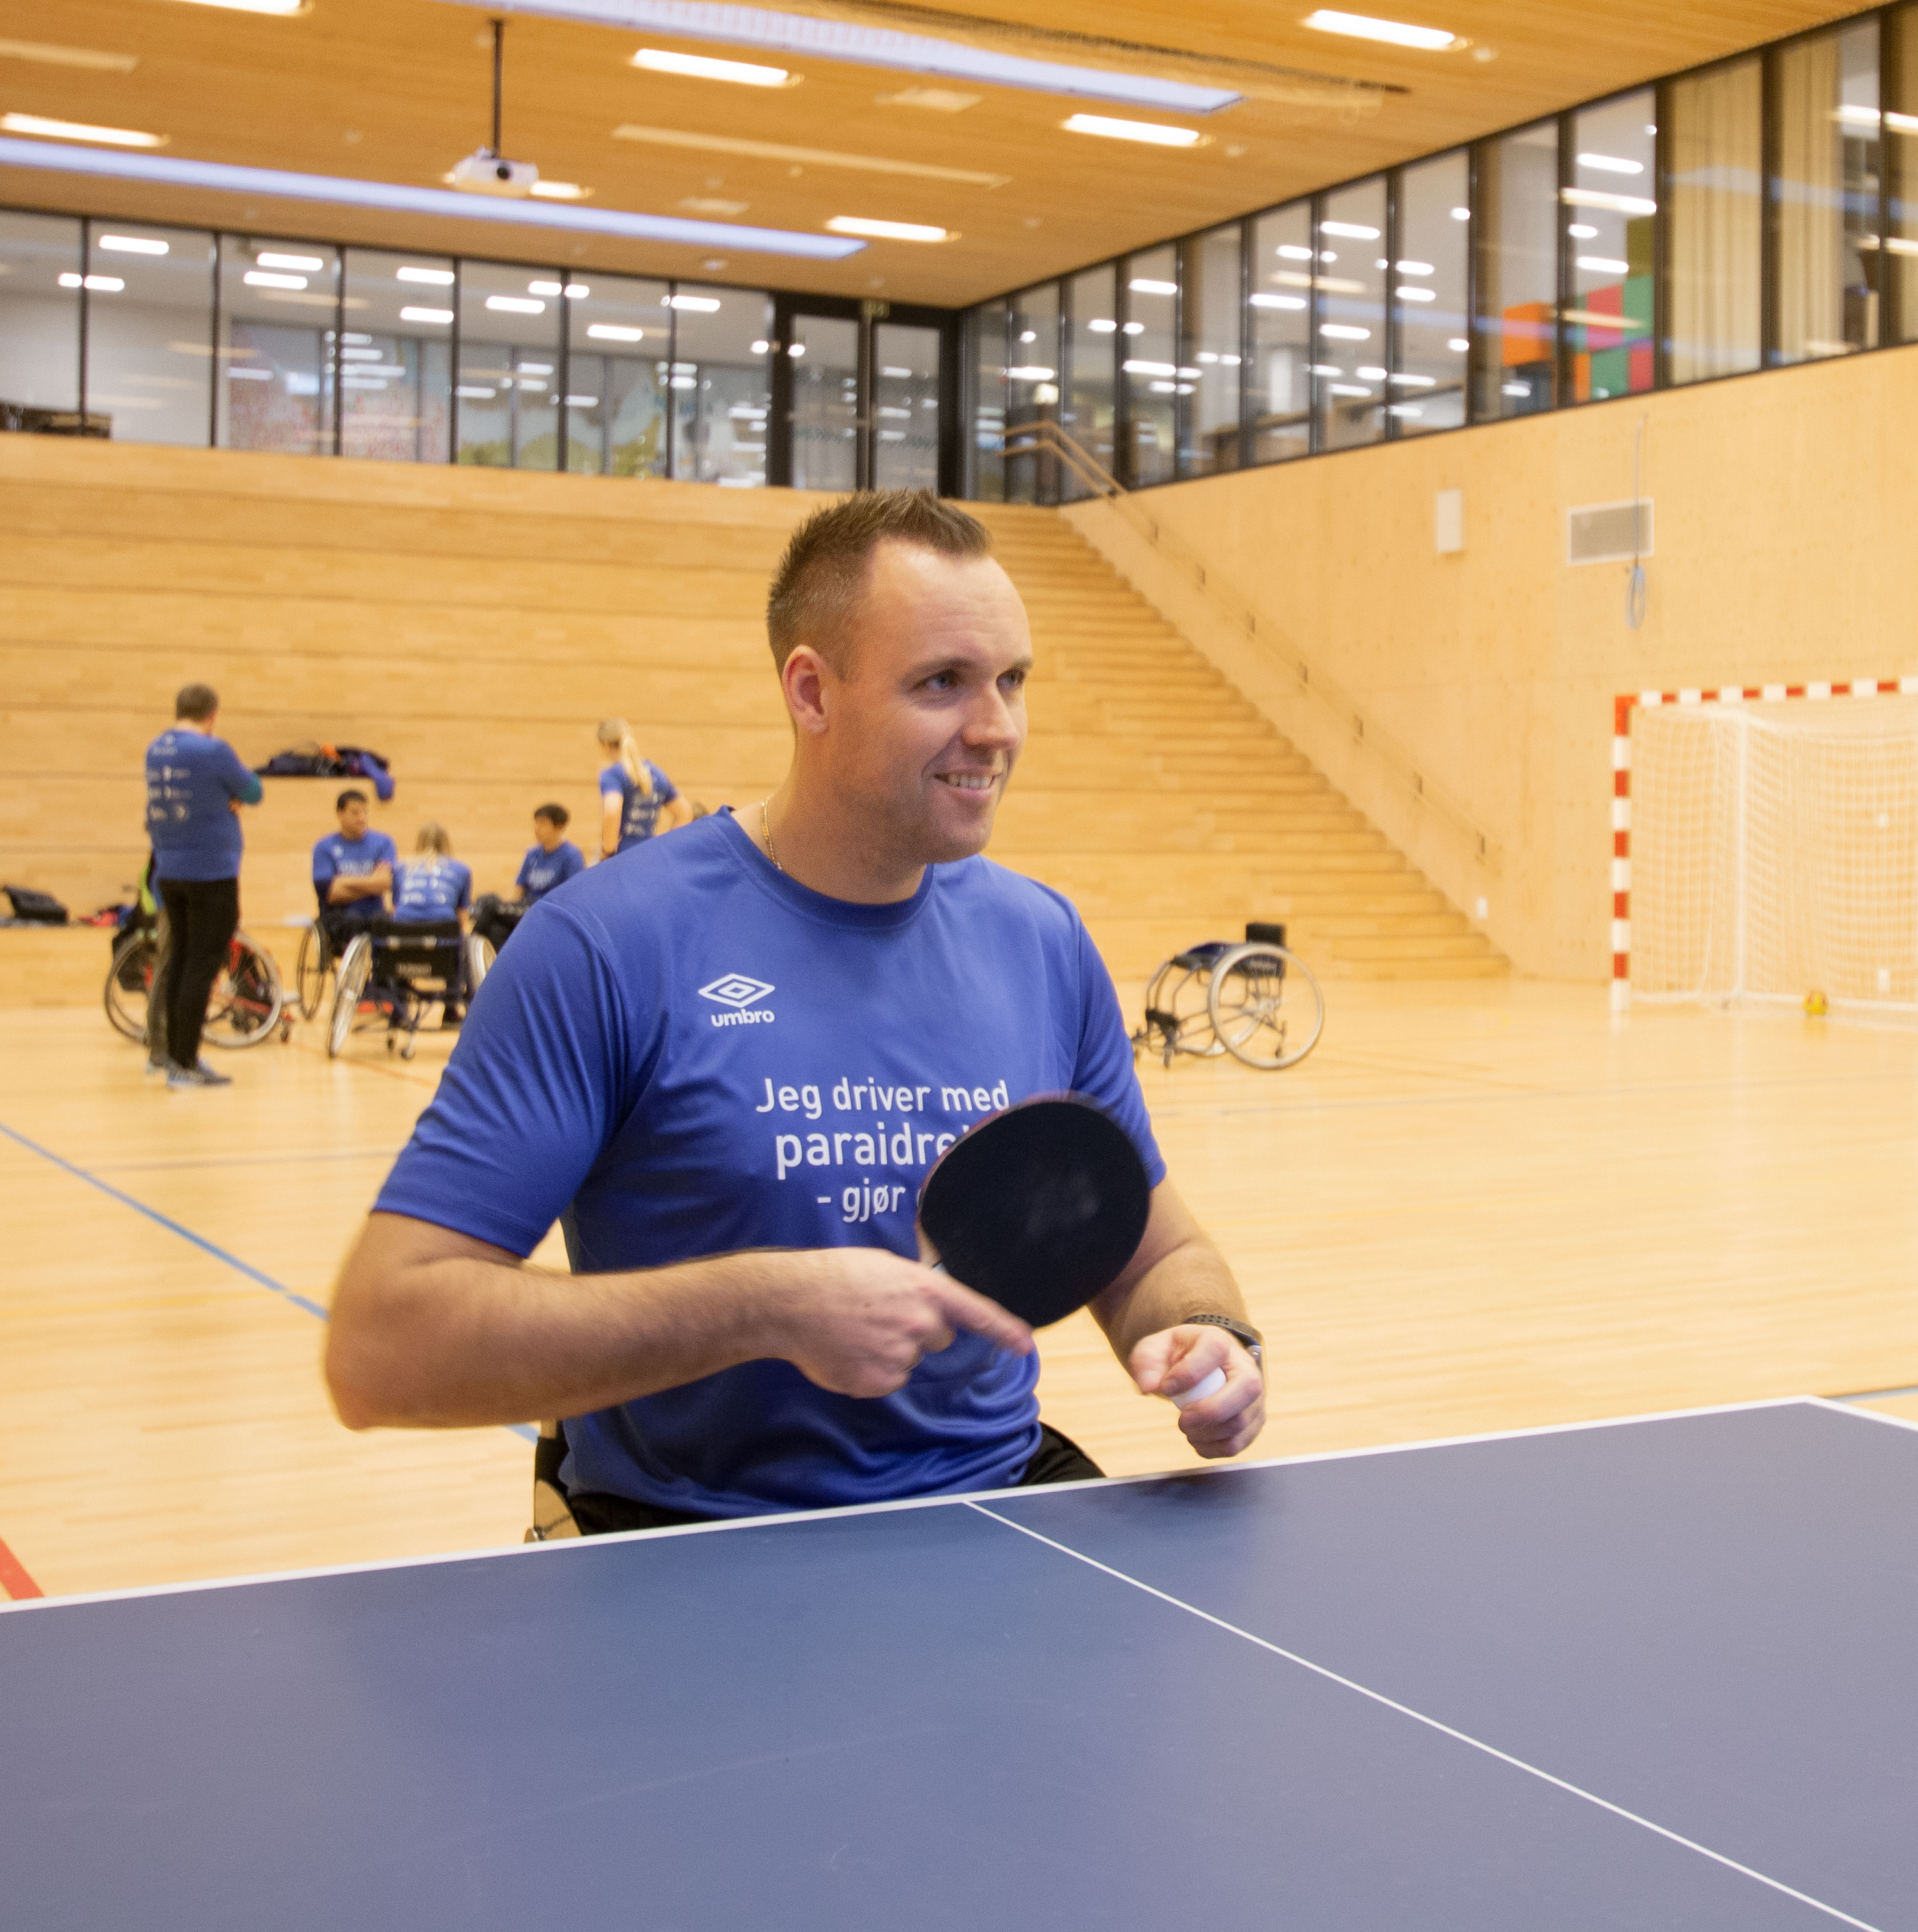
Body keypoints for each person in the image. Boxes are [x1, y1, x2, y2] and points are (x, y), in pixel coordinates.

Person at [327, 490, 1265, 1535]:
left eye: (1011, 680)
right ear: (811, 692)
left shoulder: (1041, 940)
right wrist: (763, 1308)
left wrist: (1207, 1334)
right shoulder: (604, 946)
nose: (995, 728)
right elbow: (382, 1350)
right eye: (941, 682)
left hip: (993, 1509)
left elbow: (1154, 1256)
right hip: (686, 1537)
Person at [143, 683, 260, 1087]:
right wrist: (234, 797)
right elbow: (253, 790)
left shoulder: (156, 750)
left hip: (169, 870)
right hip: (211, 873)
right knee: (201, 966)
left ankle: (172, 1056)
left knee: (178, 962)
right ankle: (186, 1062)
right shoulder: (213, 750)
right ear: (212, 715)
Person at [310, 788, 397, 956]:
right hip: (339, 915)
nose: (362, 818)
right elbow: (329, 893)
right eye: (355, 813)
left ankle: (389, 979)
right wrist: (371, 882)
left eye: (365, 812)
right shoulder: (324, 847)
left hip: (374, 912)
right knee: (353, 921)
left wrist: (343, 881)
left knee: (387, 922)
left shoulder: (383, 843)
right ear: (340, 813)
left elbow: (385, 883)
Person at [591, 718, 686, 859]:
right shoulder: (656, 773)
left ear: (605, 745)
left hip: (622, 857)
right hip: (648, 855)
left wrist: (608, 851)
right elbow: (684, 812)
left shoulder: (612, 775)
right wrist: (666, 847)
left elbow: (612, 811)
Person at [503, 803, 586, 909]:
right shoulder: (532, 853)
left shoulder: (571, 855)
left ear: (558, 827)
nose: (537, 828)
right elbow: (519, 888)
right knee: (488, 902)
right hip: (528, 908)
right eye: (536, 823)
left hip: (550, 909)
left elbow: (574, 893)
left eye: (543, 824)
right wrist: (506, 906)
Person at [391, 823, 472, 924]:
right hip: (444, 929)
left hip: (403, 928)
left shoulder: (401, 867)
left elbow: (396, 909)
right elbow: (462, 916)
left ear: (419, 842)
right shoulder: (461, 869)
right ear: (446, 842)